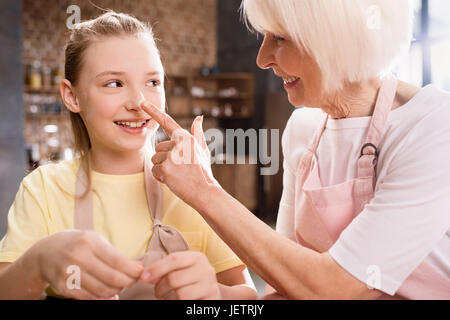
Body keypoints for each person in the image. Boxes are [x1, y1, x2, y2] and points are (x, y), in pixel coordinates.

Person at [140, 0, 450, 299]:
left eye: (280, 38)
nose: (263, 59)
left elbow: (336, 288)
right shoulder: (303, 127)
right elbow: (286, 288)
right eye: (265, 37)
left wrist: (205, 190)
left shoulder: (434, 127)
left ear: (337, 38)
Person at [0, 11, 257, 300]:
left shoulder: (191, 188)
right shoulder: (43, 190)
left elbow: (248, 298)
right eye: (114, 83)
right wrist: (39, 262)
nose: (138, 102)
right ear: (72, 96)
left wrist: (217, 295)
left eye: (153, 82)